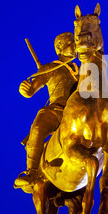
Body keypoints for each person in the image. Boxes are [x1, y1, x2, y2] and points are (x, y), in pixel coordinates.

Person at [14, 32, 79, 188]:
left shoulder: (82, 70)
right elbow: (31, 90)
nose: (75, 46)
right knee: (37, 128)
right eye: (71, 43)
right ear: (60, 49)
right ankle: (31, 172)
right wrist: (25, 90)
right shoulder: (50, 67)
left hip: (77, 112)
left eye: (74, 42)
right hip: (56, 111)